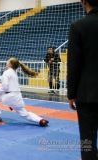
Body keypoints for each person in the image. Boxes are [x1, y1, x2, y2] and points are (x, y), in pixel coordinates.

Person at [68, 0, 98, 159]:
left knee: (88, 142)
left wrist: (71, 93)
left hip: (88, 94)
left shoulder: (78, 25)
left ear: (84, 2)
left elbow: (74, 63)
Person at [0, 58, 49, 127]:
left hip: (9, 97)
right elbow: (8, 86)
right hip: (17, 97)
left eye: (8, 61)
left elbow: (5, 87)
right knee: (25, 114)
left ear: (10, 64)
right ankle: (40, 120)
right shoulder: (14, 72)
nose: (6, 62)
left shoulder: (6, 72)